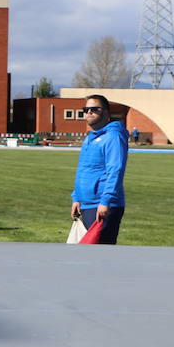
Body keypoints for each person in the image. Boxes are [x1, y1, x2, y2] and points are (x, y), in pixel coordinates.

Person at [69, 94, 129, 245]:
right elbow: (84, 169)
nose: (89, 112)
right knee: (89, 256)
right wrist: (77, 197)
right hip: (86, 204)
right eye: (86, 109)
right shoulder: (90, 138)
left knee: (101, 257)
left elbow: (115, 170)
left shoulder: (113, 136)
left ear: (107, 113)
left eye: (95, 109)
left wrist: (106, 200)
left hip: (102, 205)